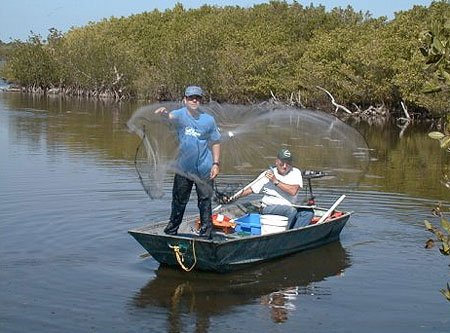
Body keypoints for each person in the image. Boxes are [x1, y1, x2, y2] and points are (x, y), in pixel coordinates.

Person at [155, 86, 221, 239]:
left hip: (205, 168)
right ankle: (171, 231)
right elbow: (169, 116)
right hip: (183, 168)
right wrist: (164, 113)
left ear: (200, 100)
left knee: (204, 202)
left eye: (197, 98)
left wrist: (216, 164)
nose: (194, 100)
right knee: (178, 201)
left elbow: (216, 142)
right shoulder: (180, 114)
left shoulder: (209, 120)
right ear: (184, 100)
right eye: (191, 97)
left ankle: (205, 235)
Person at [228, 148, 313, 229]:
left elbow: (293, 191)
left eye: (288, 164)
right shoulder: (267, 174)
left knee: (308, 213)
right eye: (282, 163)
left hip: (290, 207)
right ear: (276, 162)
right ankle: (284, 235)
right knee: (291, 211)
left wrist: (275, 181)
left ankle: (294, 233)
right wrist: (234, 198)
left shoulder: (295, 172)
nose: (284, 166)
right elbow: (251, 189)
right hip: (269, 207)